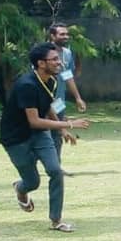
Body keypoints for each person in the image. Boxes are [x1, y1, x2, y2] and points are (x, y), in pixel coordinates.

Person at [0, 42, 91, 232]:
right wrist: (69, 124)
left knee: (55, 171)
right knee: (32, 182)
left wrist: (62, 130)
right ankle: (20, 189)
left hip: (40, 135)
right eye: (54, 59)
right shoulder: (26, 85)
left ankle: (56, 220)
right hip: (16, 139)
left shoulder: (51, 81)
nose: (59, 62)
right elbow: (34, 121)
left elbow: (49, 105)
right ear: (41, 63)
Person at [47, 23, 88, 157]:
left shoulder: (67, 53)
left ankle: (55, 165)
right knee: (42, 134)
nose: (66, 37)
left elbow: (68, 76)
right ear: (52, 36)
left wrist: (78, 98)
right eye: (62, 34)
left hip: (59, 101)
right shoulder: (43, 52)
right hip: (44, 100)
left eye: (67, 34)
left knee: (57, 135)